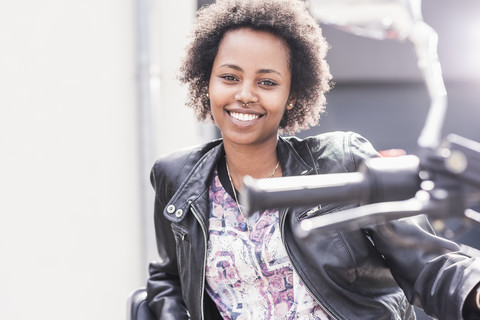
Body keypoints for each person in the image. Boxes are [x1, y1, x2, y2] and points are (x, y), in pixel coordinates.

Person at [146, 0, 480, 319]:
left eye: (267, 82)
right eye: (230, 78)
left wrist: (474, 290)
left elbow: (428, 262)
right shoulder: (176, 176)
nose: (245, 94)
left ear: (292, 95)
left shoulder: (344, 161)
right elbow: (169, 276)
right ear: (206, 82)